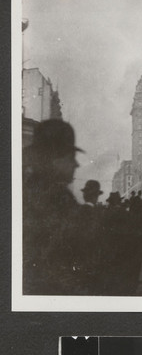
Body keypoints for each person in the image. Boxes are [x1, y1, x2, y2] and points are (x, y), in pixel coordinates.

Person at [23, 119, 85, 294]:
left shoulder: (27, 190)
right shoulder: (58, 199)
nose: (76, 164)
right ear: (54, 159)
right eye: (71, 157)